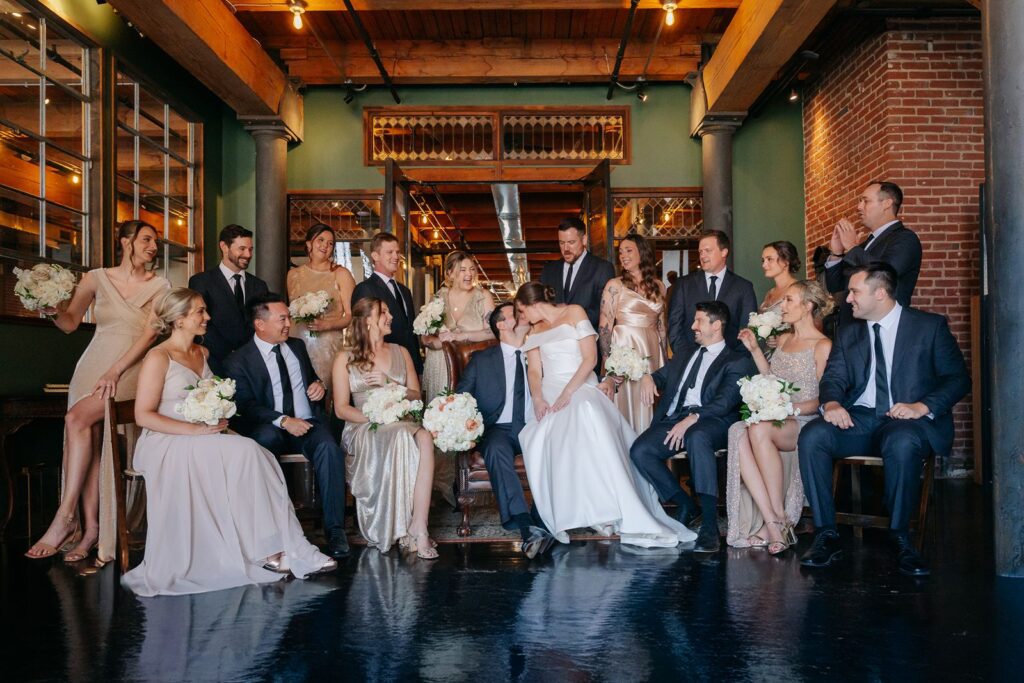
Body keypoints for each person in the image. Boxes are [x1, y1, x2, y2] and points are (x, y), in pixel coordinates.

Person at [121, 288, 336, 596]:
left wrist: (214, 416)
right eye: (199, 312)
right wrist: (193, 430)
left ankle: (285, 546)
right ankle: (269, 551)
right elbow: (143, 416)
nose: (207, 317)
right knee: (247, 451)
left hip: (205, 435)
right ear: (179, 320)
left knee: (258, 454)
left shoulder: (203, 353)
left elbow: (217, 395)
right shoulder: (158, 357)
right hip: (167, 441)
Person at [798, 263, 970, 577]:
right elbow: (833, 378)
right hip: (861, 419)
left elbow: (957, 379)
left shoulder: (928, 327)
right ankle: (826, 533)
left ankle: (901, 537)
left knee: (902, 441)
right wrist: (833, 403)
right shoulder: (849, 332)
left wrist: (921, 406)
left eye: (854, 291)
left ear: (880, 293)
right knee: (813, 435)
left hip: (907, 421)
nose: (848, 299)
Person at [25, 220, 168, 564]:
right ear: (125, 241)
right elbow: (71, 323)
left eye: (155, 241)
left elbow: (150, 336)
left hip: (130, 369)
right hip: (90, 368)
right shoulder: (95, 278)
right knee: (87, 442)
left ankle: (64, 515)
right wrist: (51, 311)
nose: (153, 246)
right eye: (146, 239)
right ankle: (89, 532)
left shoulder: (161, 284)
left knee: (76, 419)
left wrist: (116, 371)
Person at [514, 282, 694, 549]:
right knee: (538, 434)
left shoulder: (574, 312)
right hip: (549, 391)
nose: (522, 318)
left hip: (580, 384)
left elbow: (589, 359)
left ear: (531, 304)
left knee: (583, 413)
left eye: (521, 311)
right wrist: (539, 398)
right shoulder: (534, 332)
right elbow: (534, 372)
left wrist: (568, 393)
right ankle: (559, 513)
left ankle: (605, 505)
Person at [223, 293, 350, 560]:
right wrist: (283, 421)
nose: (288, 324)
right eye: (282, 319)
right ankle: (274, 531)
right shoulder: (238, 360)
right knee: (264, 442)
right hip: (271, 426)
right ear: (260, 324)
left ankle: (335, 530)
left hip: (307, 423)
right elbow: (245, 404)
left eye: (288, 318)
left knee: (329, 448)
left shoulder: (297, 346)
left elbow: (312, 379)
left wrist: (319, 386)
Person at [630, 301, 756, 553]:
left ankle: (709, 526)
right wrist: (648, 377)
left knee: (698, 437)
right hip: (675, 419)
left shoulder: (737, 360)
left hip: (713, 422)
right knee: (640, 451)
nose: (692, 326)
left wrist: (693, 418)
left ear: (716, 325)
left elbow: (725, 402)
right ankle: (684, 502)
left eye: (699, 321)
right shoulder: (686, 352)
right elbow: (663, 376)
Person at [725, 280, 833, 554]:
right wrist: (754, 349)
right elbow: (772, 380)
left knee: (759, 429)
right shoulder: (784, 340)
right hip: (778, 417)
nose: (781, 306)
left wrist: (788, 410)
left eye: (789, 301)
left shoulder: (823, 345)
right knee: (738, 429)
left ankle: (776, 521)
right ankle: (774, 520)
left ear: (807, 306)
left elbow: (825, 398)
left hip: (804, 421)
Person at [333, 297, 438, 559]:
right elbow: (341, 409)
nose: (390, 316)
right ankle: (398, 525)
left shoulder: (401, 352)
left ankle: (418, 526)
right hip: (363, 425)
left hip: (400, 421)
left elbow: (416, 396)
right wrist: (374, 418)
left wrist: (389, 382)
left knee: (424, 437)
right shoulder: (344, 358)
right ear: (367, 320)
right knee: (404, 434)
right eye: (383, 313)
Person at [456, 302, 553, 558]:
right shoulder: (482, 360)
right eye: (515, 314)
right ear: (501, 325)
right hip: (499, 428)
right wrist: (467, 427)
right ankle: (526, 527)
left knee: (553, 446)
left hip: (535, 423)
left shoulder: (542, 353)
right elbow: (460, 398)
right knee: (497, 449)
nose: (523, 316)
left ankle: (544, 521)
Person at [824, 180, 922, 326]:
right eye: (860, 201)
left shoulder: (905, 238)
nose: (859, 207)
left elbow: (884, 274)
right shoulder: (863, 245)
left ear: (887, 204)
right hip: (852, 329)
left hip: (883, 327)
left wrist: (851, 247)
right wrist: (837, 253)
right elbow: (836, 287)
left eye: (866, 201)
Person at [596, 233, 667, 433]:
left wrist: (665, 362)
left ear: (642, 253)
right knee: (626, 404)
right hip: (624, 350)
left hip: (652, 350)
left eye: (629, 251)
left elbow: (662, 327)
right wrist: (609, 366)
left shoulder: (659, 286)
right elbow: (605, 327)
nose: (623, 256)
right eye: (621, 252)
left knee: (651, 404)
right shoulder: (614, 285)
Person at [187, 224, 269, 376]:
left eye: (250, 249)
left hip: (253, 364)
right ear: (224, 247)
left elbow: (263, 322)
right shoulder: (201, 281)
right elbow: (199, 323)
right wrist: (231, 355)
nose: (248, 254)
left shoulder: (259, 285)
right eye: (242, 249)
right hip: (216, 364)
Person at [286, 223, 356, 398]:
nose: (325, 245)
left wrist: (326, 325)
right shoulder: (293, 275)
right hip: (297, 343)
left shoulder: (341, 274)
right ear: (309, 244)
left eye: (330, 243)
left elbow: (351, 315)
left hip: (328, 346)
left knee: (325, 396)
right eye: (321, 240)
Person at [420, 250, 496, 402]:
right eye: (462, 270)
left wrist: (461, 336)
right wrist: (437, 342)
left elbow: (493, 333)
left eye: (472, 269)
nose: (469, 274)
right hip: (440, 365)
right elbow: (424, 336)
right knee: (439, 415)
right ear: (450, 273)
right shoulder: (438, 298)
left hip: (471, 362)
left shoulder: (483, 297)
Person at [668, 231, 757, 358]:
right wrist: (685, 357)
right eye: (700, 252)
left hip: (729, 362)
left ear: (724, 252)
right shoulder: (684, 285)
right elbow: (675, 327)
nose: (702, 255)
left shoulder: (743, 287)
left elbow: (748, 328)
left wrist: (735, 360)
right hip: (690, 360)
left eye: (708, 250)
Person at [350, 232, 422, 375]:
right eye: (390, 252)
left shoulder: (404, 291)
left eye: (397, 252)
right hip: (380, 367)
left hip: (409, 365)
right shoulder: (365, 289)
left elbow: (410, 332)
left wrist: (417, 367)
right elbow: (360, 331)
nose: (396, 257)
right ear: (375, 256)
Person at [539, 217, 616, 338]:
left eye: (571, 242)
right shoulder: (548, 270)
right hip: (554, 343)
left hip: (587, 342)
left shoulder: (602, 268)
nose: (566, 249)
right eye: (562, 243)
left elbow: (603, 311)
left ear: (584, 240)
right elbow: (541, 305)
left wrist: (567, 320)